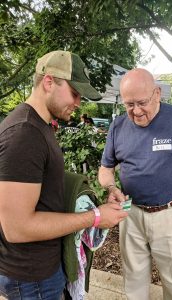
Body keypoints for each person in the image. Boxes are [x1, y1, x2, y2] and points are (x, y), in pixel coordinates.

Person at [0, 50, 128, 300]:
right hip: (31, 277)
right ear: (49, 81)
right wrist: (94, 217)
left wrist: (90, 198)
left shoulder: (39, 125)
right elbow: (17, 227)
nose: (79, 103)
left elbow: (41, 184)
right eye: (74, 93)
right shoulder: (24, 133)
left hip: (40, 269)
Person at [98, 68, 172, 300]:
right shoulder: (118, 126)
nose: (136, 111)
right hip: (130, 214)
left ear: (157, 94)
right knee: (133, 286)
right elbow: (105, 169)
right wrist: (111, 188)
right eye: (129, 105)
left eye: (142, 102)